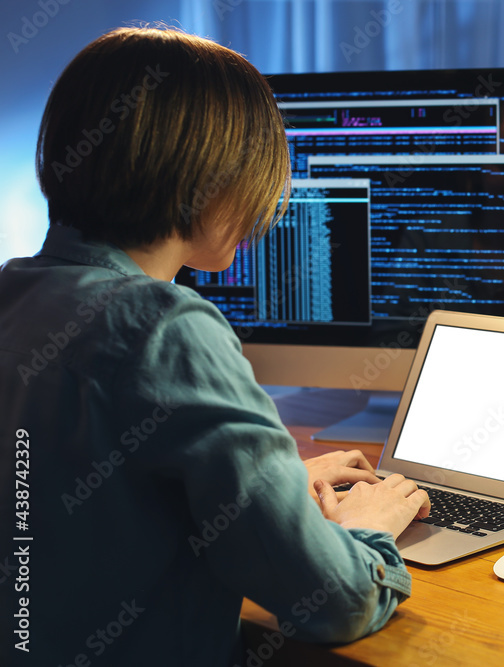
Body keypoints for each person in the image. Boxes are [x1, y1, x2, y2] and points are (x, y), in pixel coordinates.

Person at [0, 26, 430, 666]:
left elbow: (76, 504)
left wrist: (270, 490)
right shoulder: (164, 325)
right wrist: (365, 528)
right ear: (207, 175)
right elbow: (333, 601)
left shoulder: (16, 291)